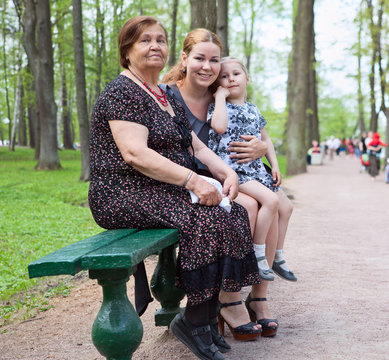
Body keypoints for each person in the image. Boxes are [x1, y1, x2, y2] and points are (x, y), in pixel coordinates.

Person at [88, 17, 261, 360]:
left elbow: (195, 145)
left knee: (235, 214)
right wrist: (193, 180)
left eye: (160, 40)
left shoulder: (163, 94)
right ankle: (193, 321)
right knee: (206, 219)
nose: (155, 46)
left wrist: (226, 172)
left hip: (157, 189)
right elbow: (135, 153)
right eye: (144, 41)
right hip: (122, 192)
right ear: (127, 51)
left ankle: (208, 317)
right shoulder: (122, 92)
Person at [160, 29, 283, 338]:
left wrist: (259, 147)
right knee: (248, 205)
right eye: (200, 58)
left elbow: (250, 131)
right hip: (185, 180)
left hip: (225, 175)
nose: (207, 66)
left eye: (214, 60)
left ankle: (259, 297)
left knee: (278, 205)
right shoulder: (167, 95)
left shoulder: (223, 93)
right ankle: (229, 298)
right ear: (185, 59)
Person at [207, 56, 296, 284]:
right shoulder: (220, 107)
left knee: (286, 207)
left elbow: (265, 139)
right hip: (235, 171)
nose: (230, 79)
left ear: (247, 78)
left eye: (235, 74)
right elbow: (218, 126)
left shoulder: (253, 110)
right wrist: (218, 97)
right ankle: (258, 255)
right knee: (271, 201)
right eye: (224, 77)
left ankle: (278, 255)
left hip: (257, 170)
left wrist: (274, 165)